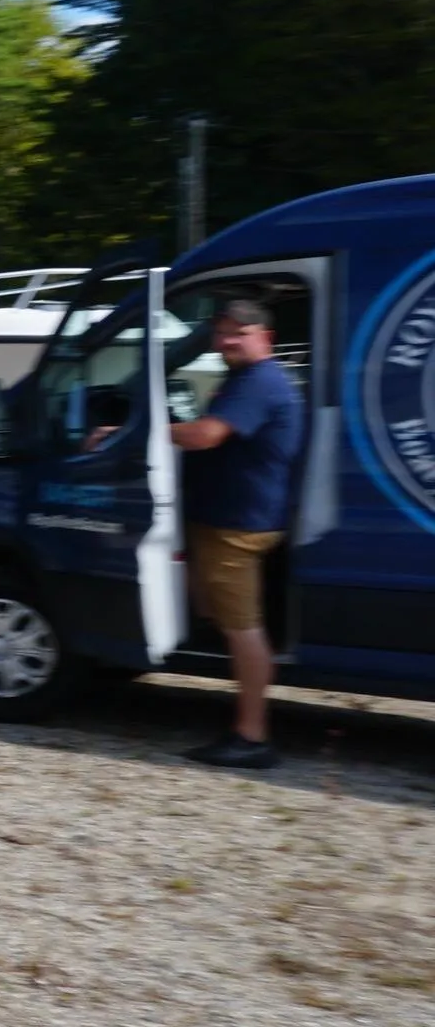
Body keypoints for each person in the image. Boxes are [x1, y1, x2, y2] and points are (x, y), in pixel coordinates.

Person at [170, 298, 303, 769]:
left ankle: (251, 737)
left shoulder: (260, 381)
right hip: (225, 521)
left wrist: (148, 430)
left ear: (265, 337)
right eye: (222, 332)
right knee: (219, 614)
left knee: (243, 628)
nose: (227, 340)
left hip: (238, 529)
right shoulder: (246, 380)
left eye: (239, 332)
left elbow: (206, 435)